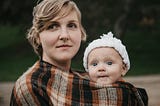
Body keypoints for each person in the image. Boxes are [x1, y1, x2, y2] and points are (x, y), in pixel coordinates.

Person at [10, 0, 148, 105]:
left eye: (71, 25)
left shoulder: (89, 79)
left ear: (81, 33)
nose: (64, 35)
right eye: (53, 26)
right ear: (38, 36)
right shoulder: (31, 86)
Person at [83, 31, 148, 105]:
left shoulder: (130, 94)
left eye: (109, 63)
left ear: (123, 69)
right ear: (87, 70)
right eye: (94, 64)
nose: (101, 68)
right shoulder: (83, 92)